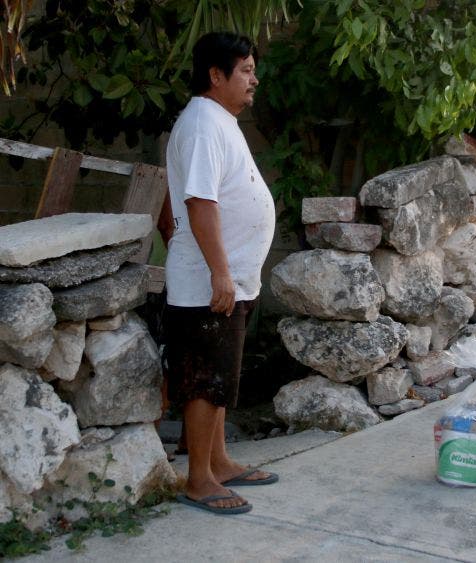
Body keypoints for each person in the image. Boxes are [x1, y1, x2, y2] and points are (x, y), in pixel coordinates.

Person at [165, 31, 278, 515]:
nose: (254, 79)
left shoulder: (219, 120)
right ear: (216, 75)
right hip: (207, 279)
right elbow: (199, 203)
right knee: (206, 379)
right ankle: (199, 479)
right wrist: (220, 273)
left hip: (227, 275)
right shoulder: (202, 124)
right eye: (245, 70)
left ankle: (220, 463)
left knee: (221, 374)